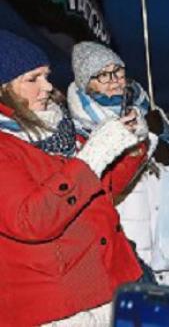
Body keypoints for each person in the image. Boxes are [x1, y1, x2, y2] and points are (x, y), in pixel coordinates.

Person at [0, 30, 146, 326]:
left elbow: (101, 190)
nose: (47, 87)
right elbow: (31, 220)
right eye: (32, 79)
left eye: (46, 75)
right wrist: (92, 156)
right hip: (57, 302)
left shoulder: (56, 127)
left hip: (103, 281)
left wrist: (133, 148)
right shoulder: (6, 146)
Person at [66, 41, 169, 286]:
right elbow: (86, 185)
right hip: (122, 237)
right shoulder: (77, 129)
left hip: (167, 233)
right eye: (103, 74)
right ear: (85, 82)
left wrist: (163, 149)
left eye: (119, 71)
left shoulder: (150, 113)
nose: (115, 80)